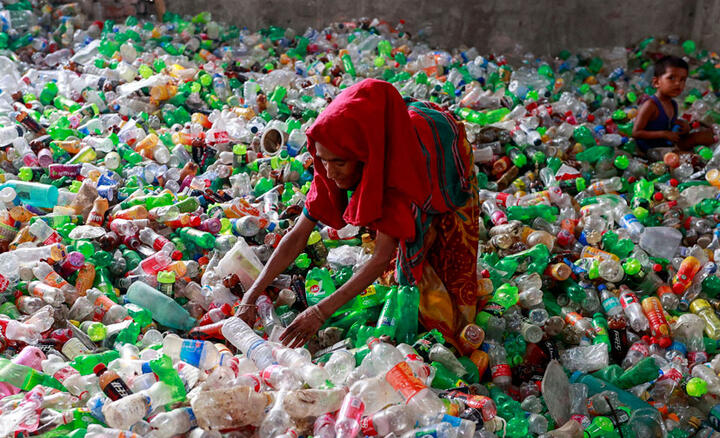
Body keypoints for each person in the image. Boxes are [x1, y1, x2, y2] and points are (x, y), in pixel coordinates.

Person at [235, 78, 481, 351]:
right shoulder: (331, 152)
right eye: (323, 161)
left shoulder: (394, 169)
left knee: (445, 259)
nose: (329, 172)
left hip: (435, 151)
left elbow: (379, 258)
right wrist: (251, 294)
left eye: (339, 163)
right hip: (388, 155)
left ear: (366, 158)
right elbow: (298, 235)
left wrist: (319, 313)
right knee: (399, 254)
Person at [632, 55, 714, 152]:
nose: (677, 83)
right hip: (652, 148)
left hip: (668, 143)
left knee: (707, 135)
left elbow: (670, 125)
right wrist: (663, 134)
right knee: (686, 155)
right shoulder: (650, 105)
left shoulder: (673, 104)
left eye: (682, 80)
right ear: (656, 82)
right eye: (671, 78)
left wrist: (685, 127)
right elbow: (636, 133)